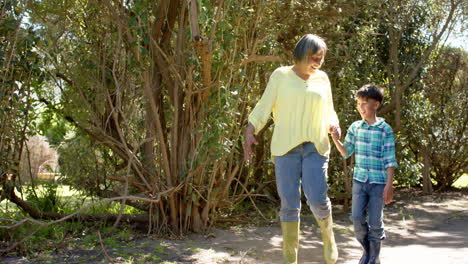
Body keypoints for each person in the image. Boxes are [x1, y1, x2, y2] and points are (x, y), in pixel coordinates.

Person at [244, 34, 339, 264]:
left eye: (321, 58)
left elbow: (329, 110)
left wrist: (334, 125)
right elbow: (264, 105)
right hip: (286, 149)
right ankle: (289, 258)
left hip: (315, 146)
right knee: (289, 204)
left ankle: (328, 236)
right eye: (314, 57)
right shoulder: (281, 76)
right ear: (301, 54)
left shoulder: (323, 79)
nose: (318, 62)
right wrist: (251, 129)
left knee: (316, 198)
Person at [330, 84, 398, 264]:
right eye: (358, 103)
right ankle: (367, 252)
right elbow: (346, 152)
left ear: (375, 105)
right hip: (359, 182)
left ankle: (373, 257)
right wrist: (335, 139)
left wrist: (389, 186)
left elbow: (390, 160)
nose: (361, 107)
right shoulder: (355, 127)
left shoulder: (385, 130)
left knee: (375, 223)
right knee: (357, 218)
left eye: (364, 103)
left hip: (378, 184)